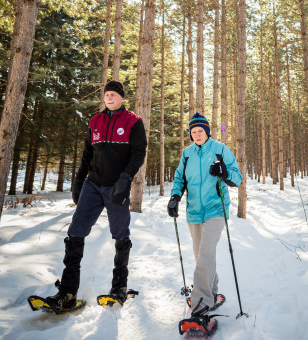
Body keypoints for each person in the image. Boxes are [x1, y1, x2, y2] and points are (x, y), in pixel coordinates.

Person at [45, 80, 147, 312]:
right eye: (106, 94)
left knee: (120, 235)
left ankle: (119, 288)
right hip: (93, 184)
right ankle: (68, 292)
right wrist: (79, 181)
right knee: (75, 233)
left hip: (116, 186)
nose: (109, 98)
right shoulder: (95, 121)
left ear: (121, 97)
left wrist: (125, 178)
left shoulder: (133, 121)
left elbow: (138, 153)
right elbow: (87, 154)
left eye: (113, 94)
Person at [168, 112, 242, 333]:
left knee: (206, 254)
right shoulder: (187, 154)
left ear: (208, 132)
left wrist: (224, 172)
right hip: (194, 212)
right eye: (193, 131)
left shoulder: (219, 149)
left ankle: (200, 307)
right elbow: (180, 178)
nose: (197, 134)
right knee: (201, 256)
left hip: (215, 209)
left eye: (201, 130)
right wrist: (175, 197)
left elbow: (237, 177)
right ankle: (211, 291)